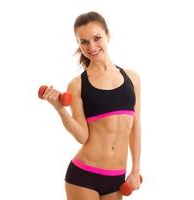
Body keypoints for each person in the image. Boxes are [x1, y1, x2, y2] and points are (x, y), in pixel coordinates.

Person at [42, 11, 141, 200]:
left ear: (108, 35)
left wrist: (136, 169)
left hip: (116, 178)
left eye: (97, 38)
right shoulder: (78, 85)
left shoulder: (132, 78)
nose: (92, 47)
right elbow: (82, 136)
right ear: (78, 44)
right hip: (84, 175)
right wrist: (60, 109)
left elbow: (135, 127)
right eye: (84, 42)